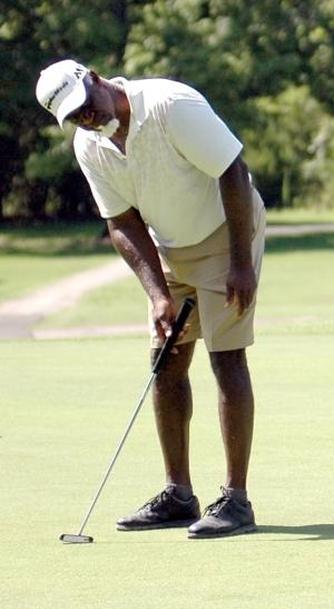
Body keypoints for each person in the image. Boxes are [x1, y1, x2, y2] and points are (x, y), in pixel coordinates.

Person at [36, 59, 265, 538]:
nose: (87, 119)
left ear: (96, 79)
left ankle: (236, 501)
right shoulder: (90, 146)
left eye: (87, 107)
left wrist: (241, 264)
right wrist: (157, 294)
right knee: (166, 361)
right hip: (167, 247)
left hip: (227, 232)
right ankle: (179, 495)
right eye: (75, 117)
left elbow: (233, 173)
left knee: (226, 359)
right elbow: (120, 222)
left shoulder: (169, 105)